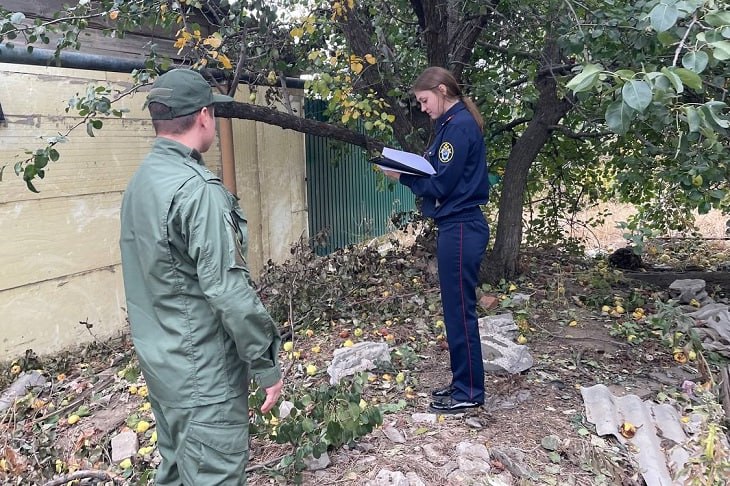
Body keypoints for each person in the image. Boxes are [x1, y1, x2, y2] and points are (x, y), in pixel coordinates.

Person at [119, 69, 283, 484]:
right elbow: (228, 290)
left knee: (177, 470)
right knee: (213, 474)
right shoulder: (198, 191)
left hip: (164, 368)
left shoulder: (141, 184)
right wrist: (266, 364)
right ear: (204, 116)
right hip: (203, 375)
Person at [382, 66, 490, 413]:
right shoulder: (449, 124)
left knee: (460, 312)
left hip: (461, 227)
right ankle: (462, 384)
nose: (423, 108)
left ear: (442, 90)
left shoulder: (458, 126)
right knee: (455, 311)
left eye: (425, 100)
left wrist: (402, 176)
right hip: (456, 227)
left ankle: (469, 393)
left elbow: (441, 184)